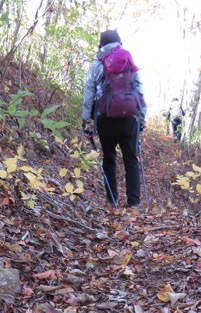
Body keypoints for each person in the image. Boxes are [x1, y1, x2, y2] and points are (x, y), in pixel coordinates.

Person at [82, 30, 147, 208]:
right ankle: (134, 203)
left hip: (106, 119)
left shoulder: (97, 64)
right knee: (131, 160)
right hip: (129, 119)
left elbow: (89, 93)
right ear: (119, 42)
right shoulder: (128, 61)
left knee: (109, 159)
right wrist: (142, 119)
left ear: (101, 45)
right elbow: (139, 90)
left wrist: (86, 120)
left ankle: (113, 201)